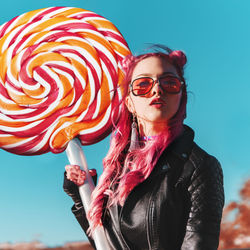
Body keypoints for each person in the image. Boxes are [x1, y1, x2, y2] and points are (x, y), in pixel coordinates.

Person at [63, 46, 224, 250]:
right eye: (143, 84)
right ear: (130, 103)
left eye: (169, 83)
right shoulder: (118, 166)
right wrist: (82, 194)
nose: (157, 90)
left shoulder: (199, 167)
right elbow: (105, 242)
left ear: (181, 96)